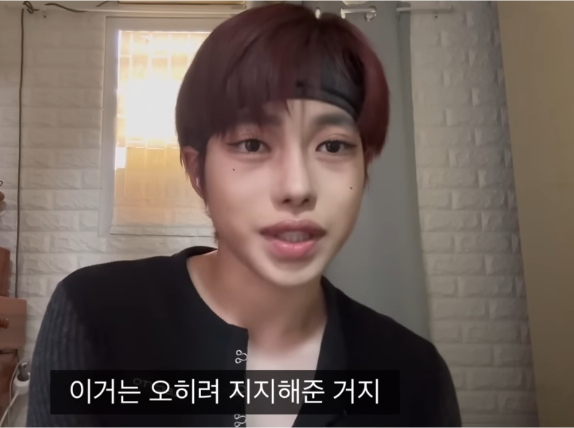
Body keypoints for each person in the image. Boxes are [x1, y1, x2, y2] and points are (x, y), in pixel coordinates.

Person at [27, 3, 462, 428]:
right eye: (252, 144)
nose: (298, 187)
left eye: (332, 146)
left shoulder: (414, 374)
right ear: (198, 171)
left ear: (365, 167)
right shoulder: (95, 314)